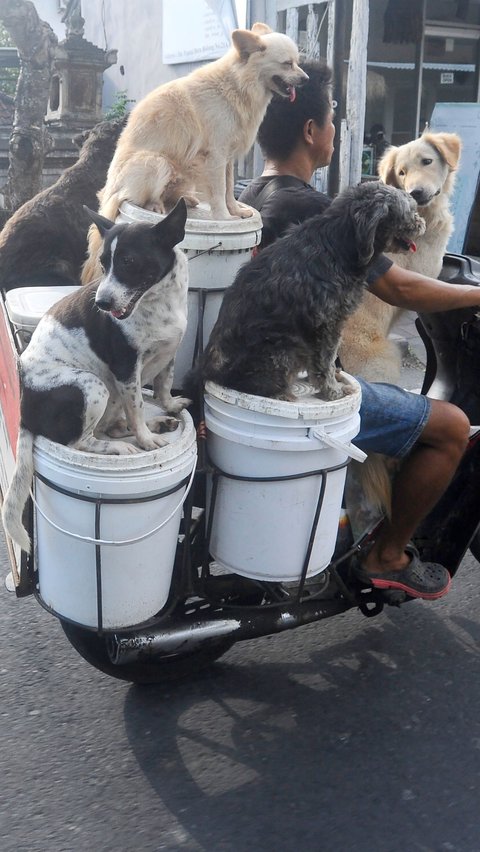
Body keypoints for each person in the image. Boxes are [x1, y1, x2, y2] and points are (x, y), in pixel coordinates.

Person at [239, 61, 478, 600]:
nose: (334, 132)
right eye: (331, 121)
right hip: (317, 373)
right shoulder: (315, 210)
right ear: (311, 132)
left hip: (267, 366)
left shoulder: (252, 195)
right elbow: (404, 290)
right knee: (451, 428)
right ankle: (387, 554)